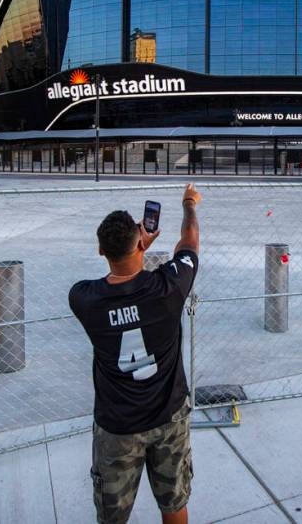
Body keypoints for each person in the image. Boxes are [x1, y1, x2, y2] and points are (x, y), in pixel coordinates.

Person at [69, 183, 202, 524]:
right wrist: (189, 205)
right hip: (169, 416)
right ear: (139, 242)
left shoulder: (85, 299)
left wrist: (137, 250)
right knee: (174, 503)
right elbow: (189, 243)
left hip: (118, 426)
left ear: (101, 251)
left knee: (112, 516)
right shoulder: (167, 288)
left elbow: (111, 284)